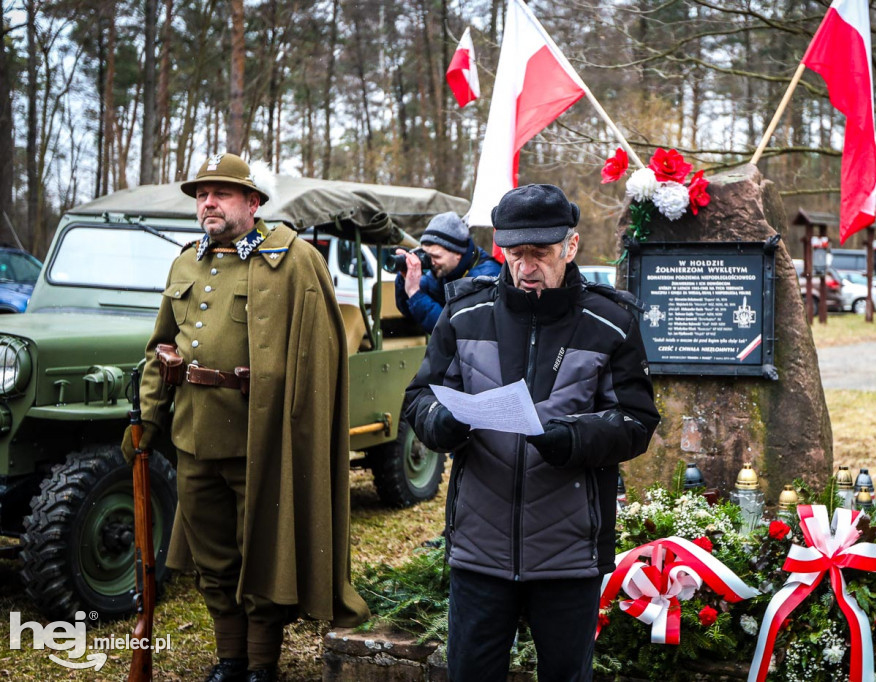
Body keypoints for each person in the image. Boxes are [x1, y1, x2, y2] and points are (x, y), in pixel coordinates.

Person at [121, 153, 369, 682]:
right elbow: (160, 346)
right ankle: (230, 658)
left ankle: (260, 664)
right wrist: (147, 420)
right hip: (194, 432)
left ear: (252, 203)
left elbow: (319, 353)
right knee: (214, 558)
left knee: (262, 553)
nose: (208, 203)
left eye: (222, 194)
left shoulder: (293, 259)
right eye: (201, 195)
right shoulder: (186, 261)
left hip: (264, 437)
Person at [404, 184, 660, 682]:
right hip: (479, 548)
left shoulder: (611, 321)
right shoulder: (464, 312)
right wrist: (444, 422)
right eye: (514, 253)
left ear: (571, 246)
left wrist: (573, 438)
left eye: (539, 253)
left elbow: (636, 422)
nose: (525, 267)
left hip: (568, 555)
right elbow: (419, 399)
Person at [394, 211, 500, 332]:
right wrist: (405, 278)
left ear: (458, 254)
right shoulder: (444, 273)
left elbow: (458, 332)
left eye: (436, 257)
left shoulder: (486, 279)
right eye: (426, 256)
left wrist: (414, 293)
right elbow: (409, 310)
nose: (431, 262)